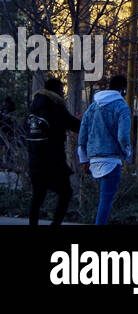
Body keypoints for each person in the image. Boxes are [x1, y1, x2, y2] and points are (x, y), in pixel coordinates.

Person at [77, 74, 134, 226]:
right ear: (123, 89)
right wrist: (128, 153)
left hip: (94, 158)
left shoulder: (92, 107)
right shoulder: (122, 107)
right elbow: (123, 136)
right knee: (106, 200)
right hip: (111, 159)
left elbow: (82, 135)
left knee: (102, 199)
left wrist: (84, 159)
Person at [25, 78, 80, 226]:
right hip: (53, 163)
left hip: (34, 162)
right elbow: (75, 125)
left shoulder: (33, 109)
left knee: (37, 198)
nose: (63, 93)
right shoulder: (55, 107)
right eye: (62, 90)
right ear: (57, 91)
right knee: (66, 193)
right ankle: (55, 225)